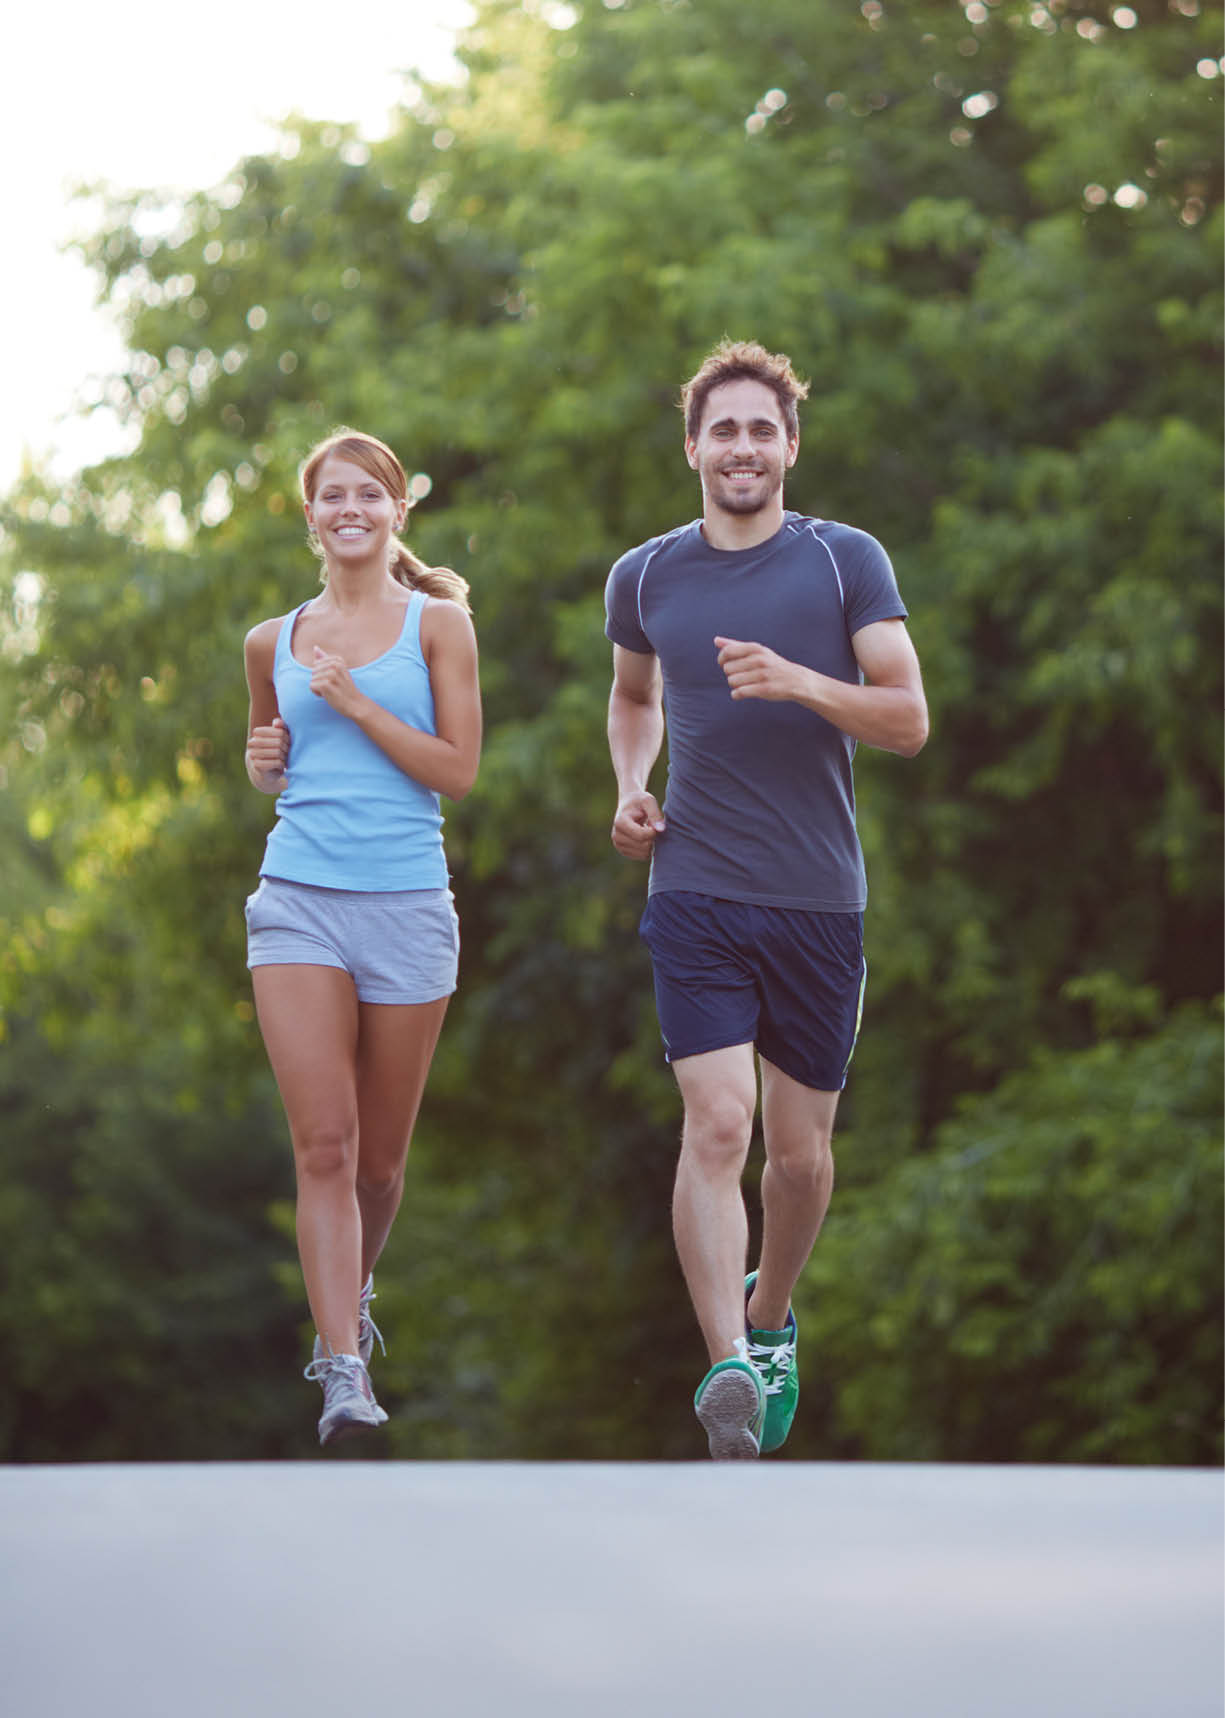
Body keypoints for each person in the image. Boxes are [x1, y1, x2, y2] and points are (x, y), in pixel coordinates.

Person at [605, 340, 927, 1460]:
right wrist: (631, 788)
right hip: (694, 886)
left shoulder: (844, 564)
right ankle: (727, 1366)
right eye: (722, 429)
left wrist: (799, 680)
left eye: (761, 429)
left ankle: (771, 1313)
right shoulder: (646, 575)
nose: (741, 447)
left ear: (789, 445)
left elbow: (907, 716)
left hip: (817, 900)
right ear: (691, 445)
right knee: (718, 1122)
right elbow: (632, 692)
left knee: (797, 1157)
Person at [243, 428, 481, 1446]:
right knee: (325, 1144)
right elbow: (273, 765)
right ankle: (344, 1368)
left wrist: (350, 699)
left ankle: (354, 1285)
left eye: (367, 494)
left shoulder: (441, 626)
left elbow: (456, 769)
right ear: (311, 517)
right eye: (330, 496)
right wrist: (263, 757)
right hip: (297, 898)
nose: (349, 509)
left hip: (407, 906)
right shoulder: (271, 639)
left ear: (396, 511)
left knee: (380, 1164)